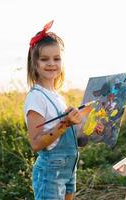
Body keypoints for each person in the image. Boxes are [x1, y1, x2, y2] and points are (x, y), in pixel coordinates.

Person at [24, 20, 103, 200]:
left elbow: (72, 137)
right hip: (51, 170)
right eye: (44, 59)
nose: (52, 63)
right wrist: (65, 123)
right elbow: (36, 144)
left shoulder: (57, 96)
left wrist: (88, 127)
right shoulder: (36, 97)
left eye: (56, 58)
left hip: (68, 168)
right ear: (34, 63)